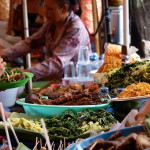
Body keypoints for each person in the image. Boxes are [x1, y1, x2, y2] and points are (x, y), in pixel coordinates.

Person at [0, 0, 91, 81]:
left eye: (50, 9)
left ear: (64, 8)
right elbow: (31, 43)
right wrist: (3, 53)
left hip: (75, 82)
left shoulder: (76, 29)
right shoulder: (52, 23)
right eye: (45, 7)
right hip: (56, 79)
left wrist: (26, 73)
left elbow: (57, 62)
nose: (46, 13)